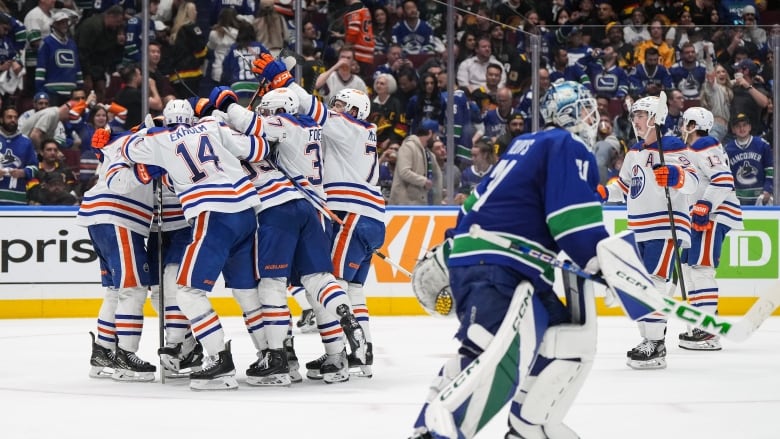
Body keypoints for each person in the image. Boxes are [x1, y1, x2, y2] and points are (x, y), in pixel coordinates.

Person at [409, 81, 610, 439]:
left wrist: (454, 250)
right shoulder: (566, 144)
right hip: (505, 269)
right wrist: (602, 260)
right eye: (584, 110)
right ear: (568, 114)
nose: (590, 119)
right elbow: (571, 222)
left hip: (495, 264)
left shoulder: (524, 144)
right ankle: (437, 433)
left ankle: (528, 427)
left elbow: (471, 206)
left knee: (561, 340)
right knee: (498, 365)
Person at [116, 98, 267, 390]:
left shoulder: (161, 138)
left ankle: (219, 359)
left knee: (185, 291)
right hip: (248, 211)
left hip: (214, 215)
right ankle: (273, 357)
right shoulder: (212, 125)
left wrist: (146, 130)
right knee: (247, 292)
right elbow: (258, 149)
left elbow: (127, 150)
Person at [600, 94, 699, 369]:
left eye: (640, 116)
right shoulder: (634, 153)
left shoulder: (675, 149)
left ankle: (655, 344)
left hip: (667, 227)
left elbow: (692, 181)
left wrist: (677, 177)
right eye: (634, 116)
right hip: (640, 229)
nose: (635, 121)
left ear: (656, 118)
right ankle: (649, 339)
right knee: (642, 286)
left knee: (655, 282)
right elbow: (623, 187)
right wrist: (603, 192)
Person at [77, 125, 156, 382]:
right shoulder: (143, 142)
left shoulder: (123, 141)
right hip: (119, 216)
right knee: (132, 289)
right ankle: (126, 357)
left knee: (115, 289)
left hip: (99, 217)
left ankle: (103, 352)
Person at [677, 107, 743, 350]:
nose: (682, 126)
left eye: (686, 122)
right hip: (700, 216)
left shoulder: (704, 144)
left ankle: (708, 331)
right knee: (688, 269)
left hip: (712, 215)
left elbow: (724, 178)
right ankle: (700, 323)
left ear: (694, 124)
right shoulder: (693, 150)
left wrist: (705, 205)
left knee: (701, 269)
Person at [724, 113, 774, 205]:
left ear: (750, 127)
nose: (742, 129)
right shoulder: (727, 149)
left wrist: (768, 189)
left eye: (744, 125)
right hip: (737, 199)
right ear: (733, 129)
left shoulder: (762, 145)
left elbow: (770, 170)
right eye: (738, 126)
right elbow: (725, 175)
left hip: (760, 198)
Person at [388, 121, 441, 205]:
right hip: (403, 206)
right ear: (430, 133)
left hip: (421, 204)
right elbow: (404, 172)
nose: (436, 139)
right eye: (436, 135)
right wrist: (424, 181)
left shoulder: (428, 153)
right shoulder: (408, 147)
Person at [0, 106, 38, 205]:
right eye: (9, 117)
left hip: (17, 199)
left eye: (15, 117)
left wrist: (23, 172)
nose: (13, 120)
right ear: (1, 119)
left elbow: (35, 168)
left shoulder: (26, 142)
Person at [27, 138, 78, 205]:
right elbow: (32, 193)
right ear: (41, 152)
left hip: (62, 208)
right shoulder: (34, 170)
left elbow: (71, 191)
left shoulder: (66, 170)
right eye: (49, 150)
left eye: (55, 150)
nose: (52, 152)